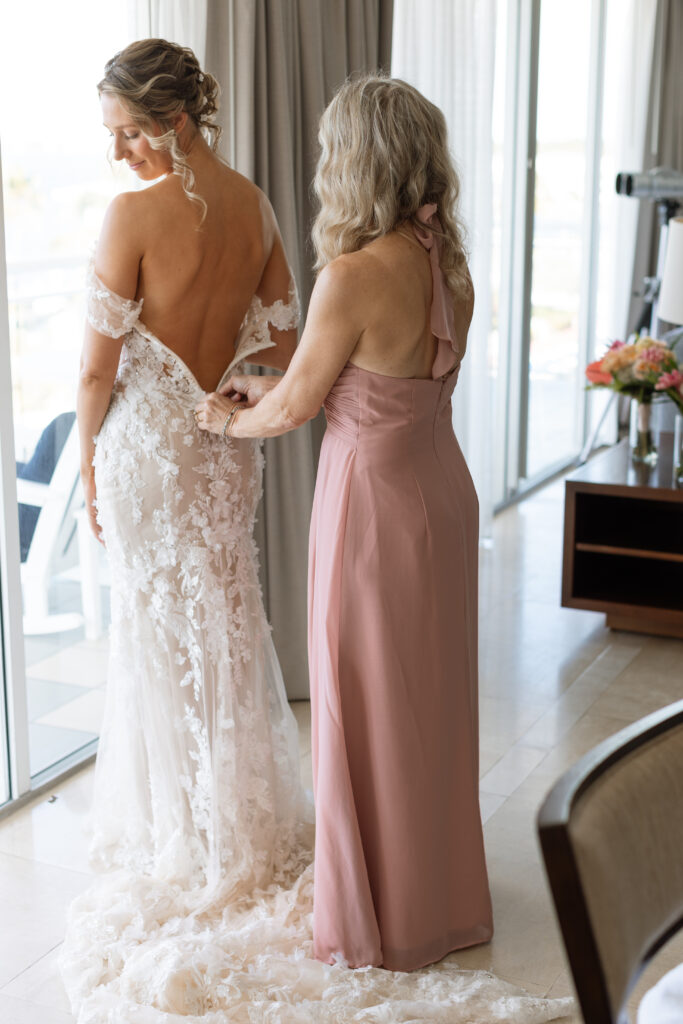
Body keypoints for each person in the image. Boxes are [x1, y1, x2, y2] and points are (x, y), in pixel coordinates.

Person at [196, 73, 493, 972]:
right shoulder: (449, 263)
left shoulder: (353, 275)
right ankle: (439, 898)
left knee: (363, 701)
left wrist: (226, 417)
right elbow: (373, 384)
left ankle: (380, 919)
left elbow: (296, 411)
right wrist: (274, 388)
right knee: (429, 702)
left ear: (354, 163)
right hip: (441, 492)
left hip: (371, 506)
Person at [59, 38, 311, 1019]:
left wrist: (83, 461)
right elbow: (285, 343)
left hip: (145, 457)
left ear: (170, 118)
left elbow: (92, 371)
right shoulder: (254, 203)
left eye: (127, 133)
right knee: (224, 622)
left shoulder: (131, 215)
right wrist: (232, 387)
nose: (120, 155)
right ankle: (235, 829)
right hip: (219, 452)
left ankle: (186, 836)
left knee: (164, 642)